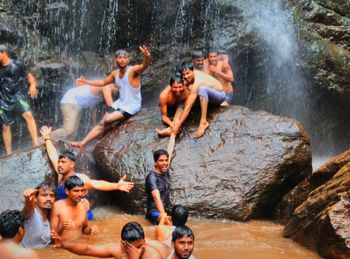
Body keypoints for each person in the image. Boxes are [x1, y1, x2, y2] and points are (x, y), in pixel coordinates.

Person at [40, 125, 134, 219]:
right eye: (59, 162)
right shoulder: (60, 175)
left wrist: (117, 186)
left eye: (63, 162)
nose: (59, 165)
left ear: (72, 165)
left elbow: (96, 184)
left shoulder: (79, 179)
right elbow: (53, 156)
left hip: (82, 217)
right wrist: (47, 138)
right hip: (66, 216)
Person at [71, 46, 151, 150]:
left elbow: (144, 66)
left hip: (132, 105)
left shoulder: (133, 71)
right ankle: (83, 142)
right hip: (120, 103)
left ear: (128, 59)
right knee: (102, 122)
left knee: (107, 120)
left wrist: (147, 57)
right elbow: (103, 82)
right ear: (115, 59)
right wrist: (86, 82)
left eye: (125, 57)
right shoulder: (115, 73)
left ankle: (99, 141)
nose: (122, 60)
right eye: (119, 57)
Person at [51, 221, 169, 258]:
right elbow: (88, 249)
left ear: (144, 240)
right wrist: (64, 245)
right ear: (123, 244)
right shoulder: (118, 249)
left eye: (139, 246)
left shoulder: (153, 253)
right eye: (130, 247)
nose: (135, 250)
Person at [0, 44, 39, 155]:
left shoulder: (18, 64)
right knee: (5, 126)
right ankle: (9, 153)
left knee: (28, 115)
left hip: (18, 95)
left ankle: (36, 143)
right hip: (3, 98)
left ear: (3, 52)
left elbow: (29, 77)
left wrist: (33, 85)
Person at [49, 83, 117, 140]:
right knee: (68, 130)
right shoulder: (105, 86)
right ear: (114, 85)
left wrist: (94, 125)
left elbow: (93, 109)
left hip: (77, 106)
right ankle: (44, 139)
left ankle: (61, 148)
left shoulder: (102, 94)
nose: (117, 93)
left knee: (73, 133)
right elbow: (111, 105)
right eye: (118, 91)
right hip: (70, 101)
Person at [179, 62, 225, 138]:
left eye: (187, 73)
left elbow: (189, 106)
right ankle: (174, 123)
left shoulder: (198, 79)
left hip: (219, 95)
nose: (186, 76)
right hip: (208, 99)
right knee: (183, 97)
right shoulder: (189, 78)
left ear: (193, 70)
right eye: (183, 75)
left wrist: (180, 125)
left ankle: (203, 121)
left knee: (201, 89)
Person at [50, 175, 98, 241]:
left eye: (82, 190)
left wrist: (91, 230)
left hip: (78, 246)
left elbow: (84, 229)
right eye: (76, 191)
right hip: (63, 248)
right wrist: (62, 227)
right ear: (67, 191)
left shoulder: (83, 206)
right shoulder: (57, 207)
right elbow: (51, 237)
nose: (80, 194)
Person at [20, 182, 55, 248]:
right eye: (44, 195)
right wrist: (28, 199)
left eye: (51, 195)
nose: (49, 199)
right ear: (35, 198)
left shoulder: (49, 219)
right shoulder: (32, 214)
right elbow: (28, 209)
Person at [145, 149, 171, 225]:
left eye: (166, 160)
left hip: (165, 210)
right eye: (161, 160)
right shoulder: (151, 177)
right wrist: (164, 216)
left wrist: (172, 136)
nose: (164, 163)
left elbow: (170, 149)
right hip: (154, 213)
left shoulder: (165, 170)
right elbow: (157, 198)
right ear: (155, 163)